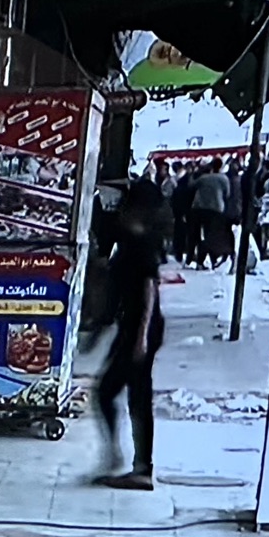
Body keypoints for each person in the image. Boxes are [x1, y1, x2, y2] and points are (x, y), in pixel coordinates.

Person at [93, 177, 167, 492]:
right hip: (134, 327)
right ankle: (130, 462)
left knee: (123, 394)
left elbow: (149, 290)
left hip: (141, 328)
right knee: (126, 394)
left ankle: (137, 466)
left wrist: (141, 337)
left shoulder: (141, 242)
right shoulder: (130, 238)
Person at [190, 158, 231, 270]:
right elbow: (227, 194)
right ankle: (214, 259)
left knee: (203, 236)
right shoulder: (224, 179)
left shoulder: (203, 178)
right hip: (217, 209)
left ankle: (200, 261)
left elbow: (191, 186)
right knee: (213, 236)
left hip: (201, 209)